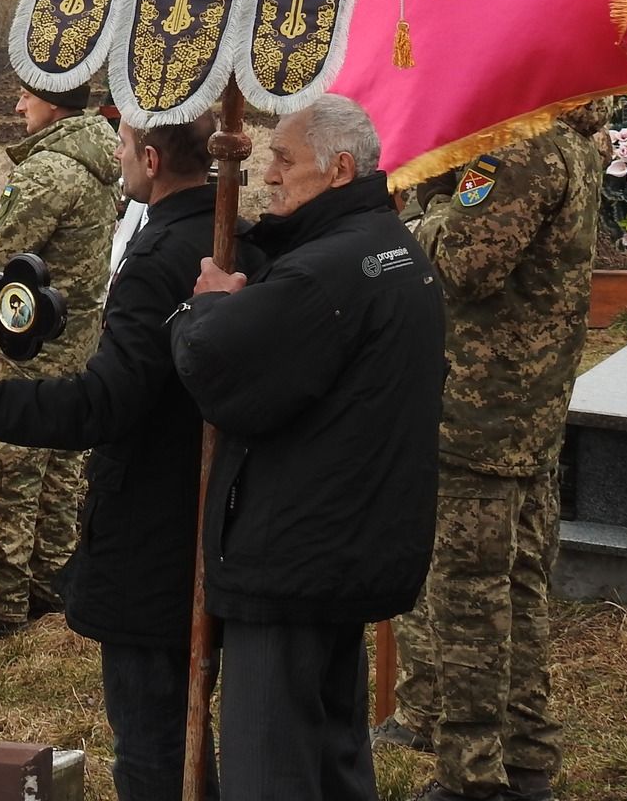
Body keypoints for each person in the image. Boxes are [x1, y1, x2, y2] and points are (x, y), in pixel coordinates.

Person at [0, 114, 259, 801]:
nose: (118, 156)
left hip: (155, 525)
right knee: (188, 734)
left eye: (126, 145)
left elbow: (104, 405)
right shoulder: (233, 237)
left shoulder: (164, 259)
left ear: (152, 159)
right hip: (225, 513)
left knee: (152, 740)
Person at [172, 94, 444, 801]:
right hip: (346, 547)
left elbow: (218, 363)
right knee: (332, 752)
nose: (268, 175)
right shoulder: (388, 245)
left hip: (289, 559)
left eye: (284, 161)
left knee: (270, 766)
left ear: (339, 169)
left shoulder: (326, 271)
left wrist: (209, 306)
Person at [379, 104, 606, 801]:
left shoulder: (518, 146)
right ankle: (527, 755)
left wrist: (427, 208)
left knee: (469, 599)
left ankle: (472, 775)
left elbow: (466, 264)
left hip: (481, 414)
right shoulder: (569, 140)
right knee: (517, 588)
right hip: (523, 409)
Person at [0, 77, 118, 638]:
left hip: (31, 344)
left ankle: (5, 603)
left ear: (54, 103)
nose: (17, 106)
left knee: (10, 470)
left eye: (26, 96)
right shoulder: (100, 158)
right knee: (62, 464)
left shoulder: (48, 172)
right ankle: (51, 583)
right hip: (78, 340)